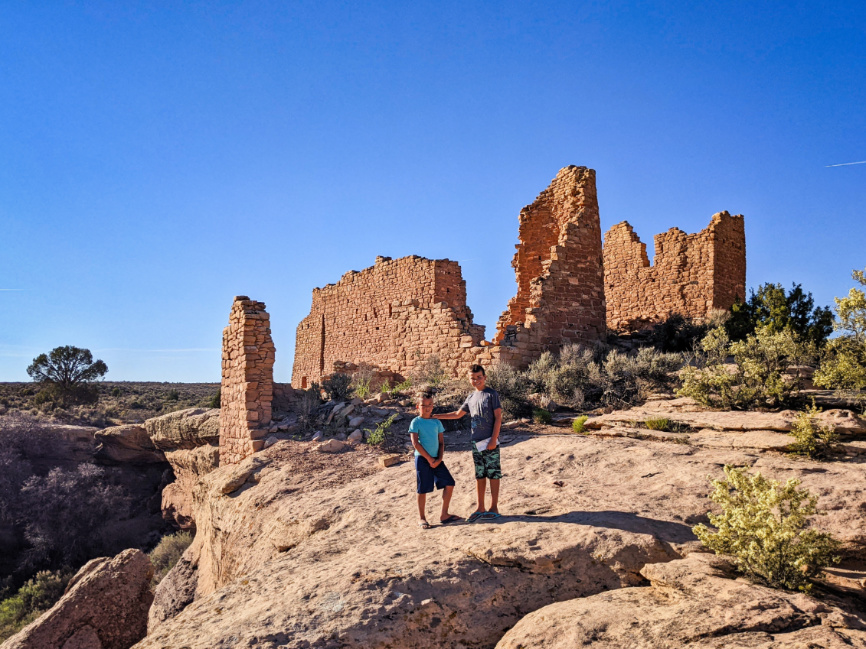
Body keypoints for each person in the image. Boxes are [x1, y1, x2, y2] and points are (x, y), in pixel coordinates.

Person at [435, 364, 502, 522]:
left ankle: (494, 507)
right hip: (476, 442)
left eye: (479, 377)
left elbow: (498, 417)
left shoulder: (492, 394)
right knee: (480, 475)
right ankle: (480, 507)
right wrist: (436, 416)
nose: (476, 380)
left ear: (485, 377)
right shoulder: (471, 397)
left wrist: (493, 439)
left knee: (493, 474)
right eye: (473, 378)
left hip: (490, 441)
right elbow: (458, 414)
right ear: (469, 379)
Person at [409, 391, 462, 529]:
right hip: (422, 459)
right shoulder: (416, 422)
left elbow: (441, 442)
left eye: (430, 404)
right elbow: (415, 443)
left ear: (433, 405)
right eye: (423, 405)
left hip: (437, 459)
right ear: (417, 406)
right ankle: (421, 518)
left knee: (449, 483)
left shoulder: (436, 422)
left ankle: (444, 514)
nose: (427, 408)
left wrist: (439, 459)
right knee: (423, 488)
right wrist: (429, 459)